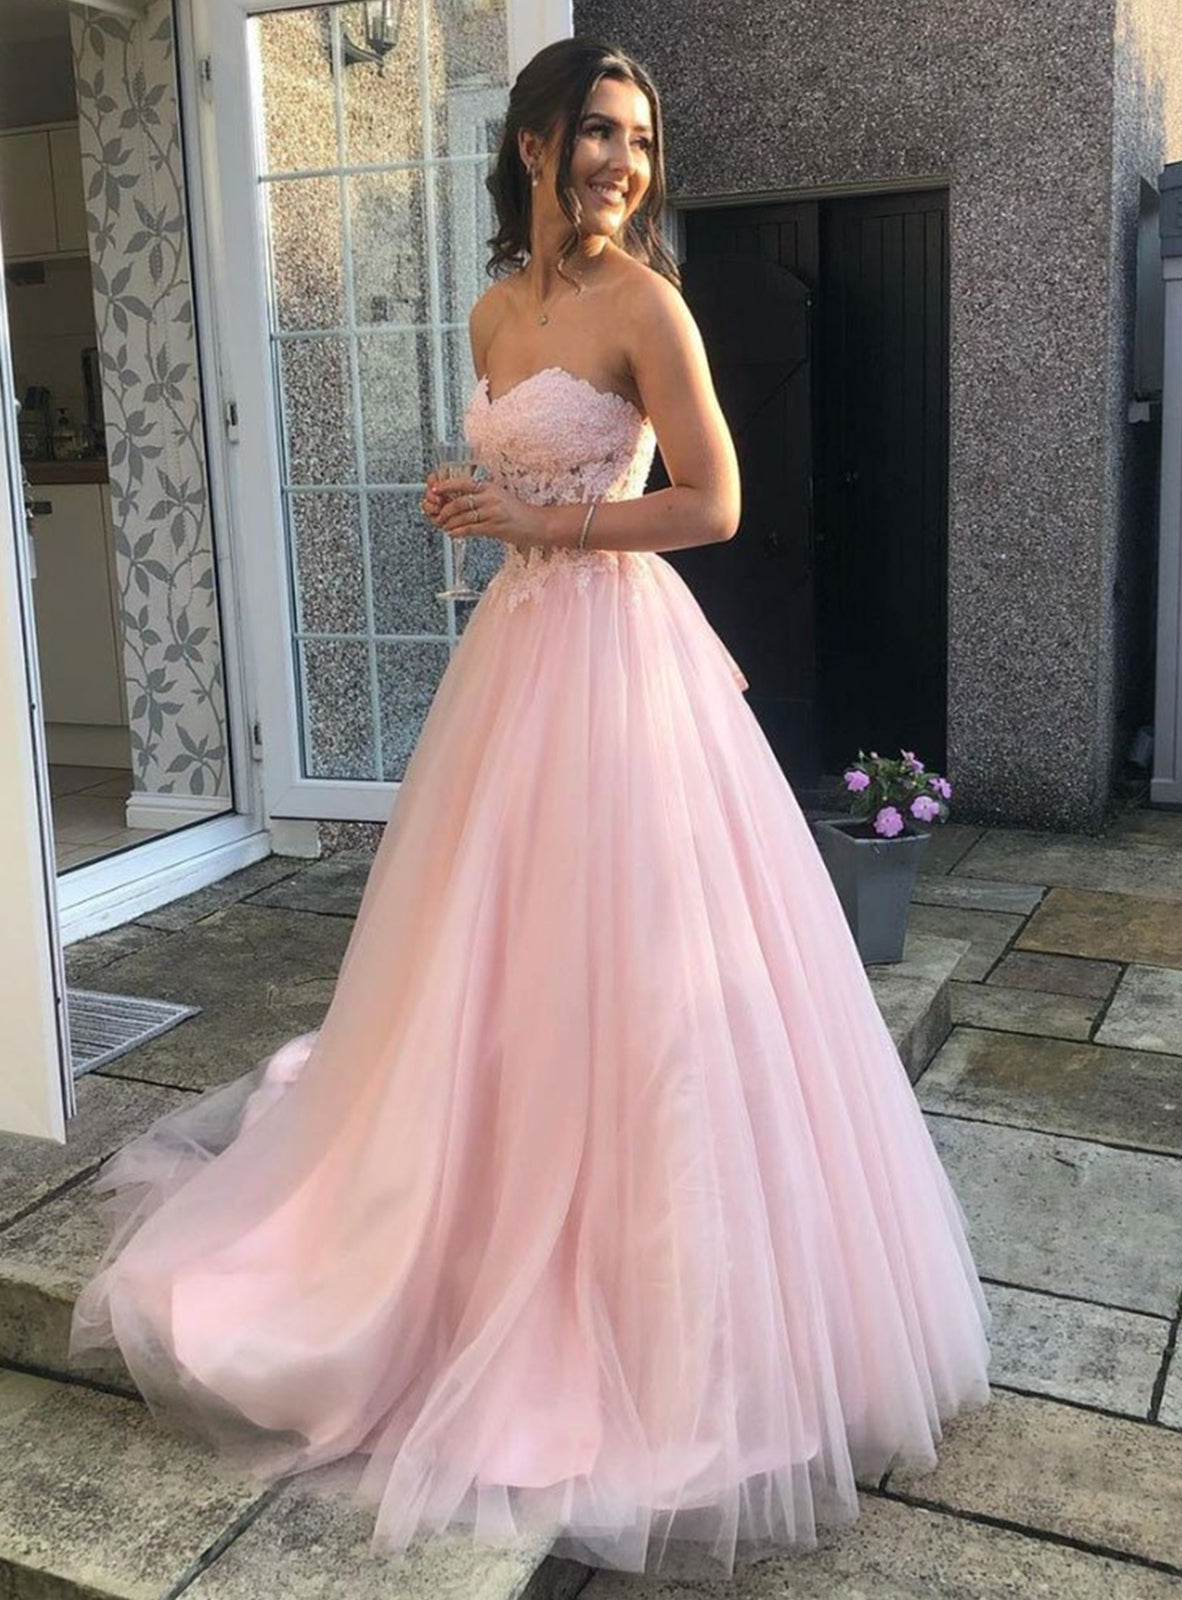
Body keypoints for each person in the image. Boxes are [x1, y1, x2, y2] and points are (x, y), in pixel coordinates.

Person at [69, 37, 990, 1582]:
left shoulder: (649, 305)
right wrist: (477, 504)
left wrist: (548, 519)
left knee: (636, 965)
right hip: (516, 658)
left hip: (624, 670)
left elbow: (713, 503)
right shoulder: (498, 310)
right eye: (598, 133)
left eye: (640, 139)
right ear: (534, 145)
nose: (623, 162)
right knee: (482, 955)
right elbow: (521, 479)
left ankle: (647, 1284)